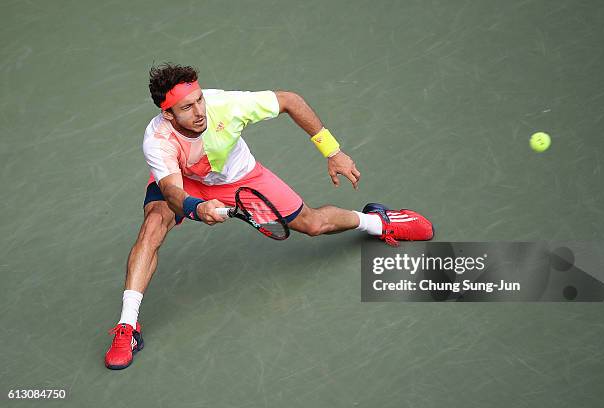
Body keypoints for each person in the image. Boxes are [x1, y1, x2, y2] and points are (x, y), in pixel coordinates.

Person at [104, 63, 434, 369]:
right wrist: (195, 208)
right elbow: (174, 193)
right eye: (187, 107)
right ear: (168, 113)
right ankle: (127, 326)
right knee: (153, 225)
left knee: (314, 224)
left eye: (199, 99)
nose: (199, 110)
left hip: (242, 180)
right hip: (186, 183)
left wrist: (332, 151)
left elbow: (290, 100)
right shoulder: (158, 138)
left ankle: (378, 221)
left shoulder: (228, 105)